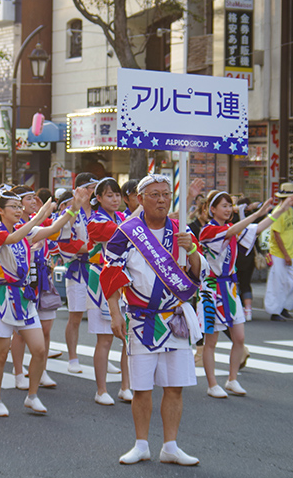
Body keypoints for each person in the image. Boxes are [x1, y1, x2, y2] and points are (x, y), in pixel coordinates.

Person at [102, 174, 206, 466]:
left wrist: (193, 251)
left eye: (165, 194)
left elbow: (199, 273)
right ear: (139, 199)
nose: (162, 199)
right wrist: (114, 314)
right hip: (141, 319)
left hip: (175, 318)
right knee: (142, 387)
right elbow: (111, 274)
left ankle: (171, 446)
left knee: (175, 386)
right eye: (155, 194)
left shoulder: (180, 230)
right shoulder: (127, 232)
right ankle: (141, 444)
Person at [0, 192, 73, 417]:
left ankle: (32, 396)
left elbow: (52, 229)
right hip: (0, 298)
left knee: (40, 350)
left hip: (24, 297)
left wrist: (73, 208)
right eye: (12, 207)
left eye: (18, 206)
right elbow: (11, 239)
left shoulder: (26, 230)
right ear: (0, 210)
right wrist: (39, 216)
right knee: (1, 354)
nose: (17, 210)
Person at [198, 191, 293, 398]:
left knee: (239, 338)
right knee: (211, 341)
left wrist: (280, 210)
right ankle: (212, 384)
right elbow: (233, 231)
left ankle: (232, 380)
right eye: (224, 205)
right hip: (211, 291)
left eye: (230, 206)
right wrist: (257, 212)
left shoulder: (231, 229)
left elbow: (257, 229)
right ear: (212, 209)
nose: (228, 209)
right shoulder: (208, 231)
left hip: (230, 289)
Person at [86, 177, 131, 404]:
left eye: (117, 195)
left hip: (125, 283)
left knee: (129, 339)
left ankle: (126, 386)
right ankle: (101, 390)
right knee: (104, 340)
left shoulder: (123, 217)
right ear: (99, 198)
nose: (115, 199)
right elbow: (122, 232)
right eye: (109, 195)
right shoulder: (95, 221)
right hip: (101, 284)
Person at [59, 172, 98, 374]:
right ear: (79, 189)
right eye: (90, 187)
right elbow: (65, 242)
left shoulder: (101, 210)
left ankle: (102, 355)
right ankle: (73, 357)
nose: (93, 191)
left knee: (102, 315)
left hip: (100, 268)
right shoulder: (70, 211)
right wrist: (91, 248)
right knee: (75, 316)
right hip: (78, 267)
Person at [264, 183, 293, 322]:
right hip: (279, 253)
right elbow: (276, 235)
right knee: (277, 283)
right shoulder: (278, 211)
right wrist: (285, 254)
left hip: (289, 252)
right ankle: (274, 311)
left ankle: (284, 307)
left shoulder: (290, 210)